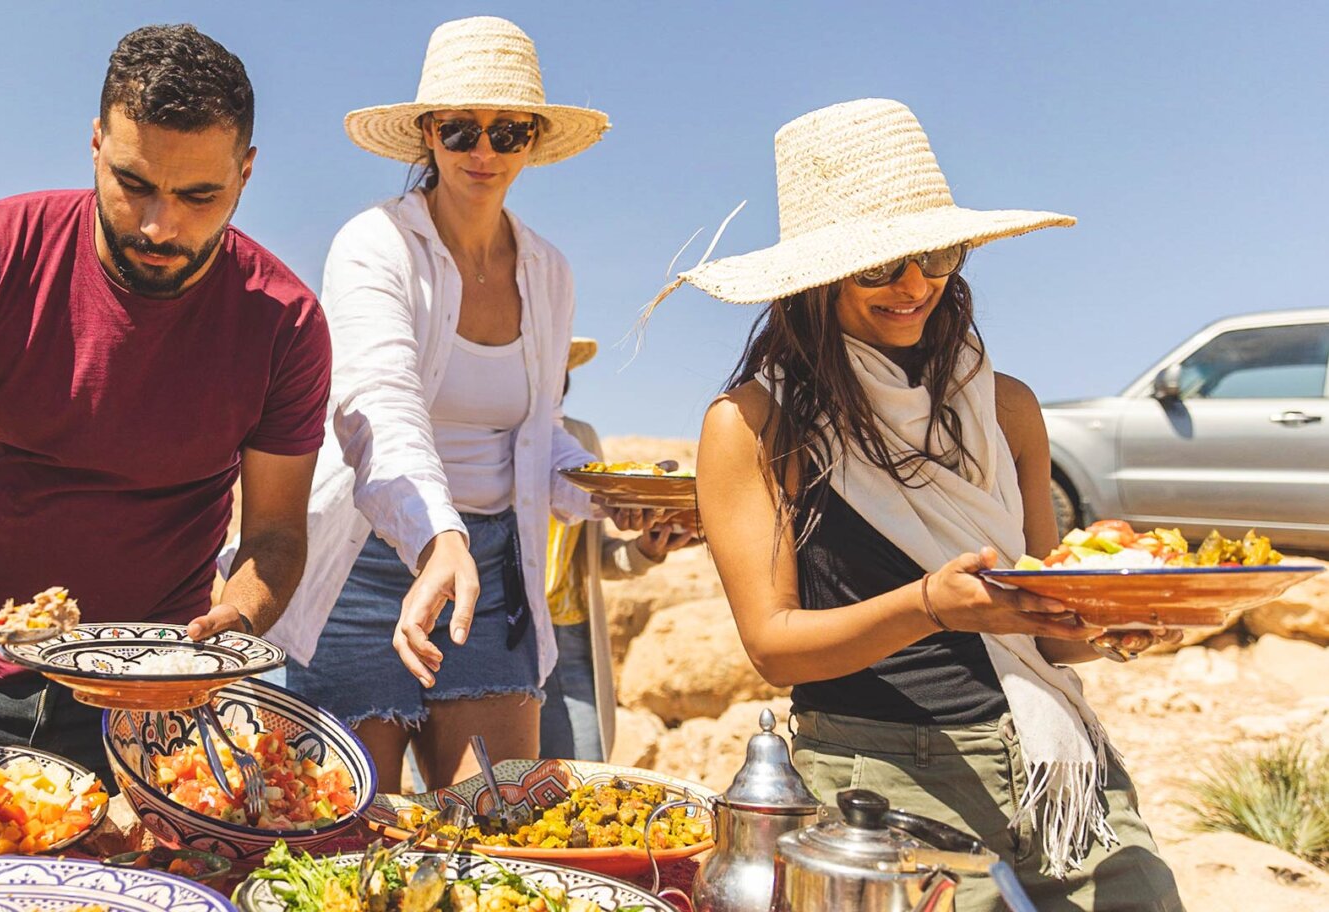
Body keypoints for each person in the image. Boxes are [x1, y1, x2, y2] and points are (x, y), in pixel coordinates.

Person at [0, 24, 330, 785]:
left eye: (199, 196)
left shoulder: (285, 323)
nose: (159, 226)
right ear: (96, 145)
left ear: (246, 173)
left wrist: (234, 624)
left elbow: (275, 534)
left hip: (152, 698)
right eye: (134, 183)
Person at [674, 100, 1182, 910]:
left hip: (1056, 760)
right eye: (879, 267)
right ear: (817, 280)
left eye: (936, 255)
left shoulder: (1007, 407)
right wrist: (929, 607)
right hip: (883, 781)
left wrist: (1118, 625)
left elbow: (1044, 629)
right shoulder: (755, 423)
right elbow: (774, 648)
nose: (915, 286)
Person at [229, 16, 616, 793]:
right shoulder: (375, 243)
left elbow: (535, 438)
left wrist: (616, 498)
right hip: (365, 565)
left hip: (493, 574)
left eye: (507, 131)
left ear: (533, 140)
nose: (483, 151)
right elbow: (380, 402)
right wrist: (439, 539)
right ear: (429, 134)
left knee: (499, 820)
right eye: (460, 129)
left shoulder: (549, 271)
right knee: (345, 829)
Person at [539, 337, 698, 761]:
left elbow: (597, 556)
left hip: (570, 634)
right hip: (505, 630)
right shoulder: (485, 439)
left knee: (584, 768)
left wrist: (649, 549)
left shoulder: (579, 437)